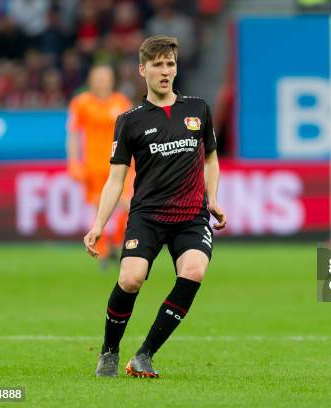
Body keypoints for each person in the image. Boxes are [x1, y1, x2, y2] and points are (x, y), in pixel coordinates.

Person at [84, 35, 226, 378]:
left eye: (171, 64)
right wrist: (98, 225)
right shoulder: (130, 120)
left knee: (193, 271)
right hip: (147, 215)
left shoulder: (198, 109)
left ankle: (145, 354)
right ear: (142, 69)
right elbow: (116, 180)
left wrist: (214, 198)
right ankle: (109, 351)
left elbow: (210, 159)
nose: (166, 71)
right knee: (131, 279)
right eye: (159, 65)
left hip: (191, 215)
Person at [67, 64, 132, 266]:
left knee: (128, 204)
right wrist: (73, 162)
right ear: (91, 81)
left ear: (112, 80)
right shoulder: (81, 103)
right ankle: (103, 252)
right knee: (99, 209)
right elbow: (74, 134)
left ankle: (118, 242)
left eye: (105, 78)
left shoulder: (121, 102)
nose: (102, 82)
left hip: (122, 165)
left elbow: (133, 134)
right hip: (94, 166)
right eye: (98, 78)